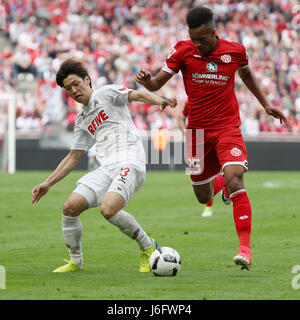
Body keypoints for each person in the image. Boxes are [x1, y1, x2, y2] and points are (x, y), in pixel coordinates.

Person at [136, 6, 288, 270]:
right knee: (201, 194)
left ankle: (244, 248)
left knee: (236, 177)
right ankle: (223, 185)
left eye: (201, 39)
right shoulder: (183, 50)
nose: (197, 43)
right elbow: (157, 83)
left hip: (227, 127)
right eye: (193, 38)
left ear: (213, 31)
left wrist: (265, 104)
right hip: (196, 134)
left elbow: (247, 74)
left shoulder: (235, 50)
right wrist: (147, 82)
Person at [31, 58, 177, 273]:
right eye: (68, 88)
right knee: (69, 207)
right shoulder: (82, 119)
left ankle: (148, 246)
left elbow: (136, 94)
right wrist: (47, 183)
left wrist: (159, 100)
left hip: (130, 161)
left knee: (108, 209)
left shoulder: (106, 93)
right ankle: (76, 261)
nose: (74, 90)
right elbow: (73, 157)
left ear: (87, 79)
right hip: (106, 167)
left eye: (76, 84)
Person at [177, 100, 214, 218]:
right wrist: (185, 132)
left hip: (212, 138)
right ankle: (222, 187)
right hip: (195, 141)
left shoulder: (214, 97)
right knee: (200, 180)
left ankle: (208, 208)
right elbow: (181, 118)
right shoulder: (190, 102)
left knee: (212, 174)